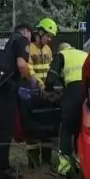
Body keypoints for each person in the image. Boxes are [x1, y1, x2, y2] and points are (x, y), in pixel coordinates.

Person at [0, 23, 34, 179]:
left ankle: (1, 163)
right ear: (26, 32)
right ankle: (3, 168)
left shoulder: (0, 40)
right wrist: (28, 80)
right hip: (5, 84)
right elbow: (21, 65)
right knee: (6, 125)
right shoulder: (22, 40)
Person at [45, 42, 88, 179]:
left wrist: (48, 92)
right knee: (82, 130)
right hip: (89, 94)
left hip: (74, 94)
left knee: (66, 129)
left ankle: (64, 169)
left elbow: (51, 79)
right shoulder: (84, 54)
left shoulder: (61, 55)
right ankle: (82, 165)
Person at [26, 18, 58, 168]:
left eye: (51, 36)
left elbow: (50, 69)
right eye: (48, 35)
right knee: (32, 128)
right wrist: (40, 84)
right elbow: (29, 70)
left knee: (48, 127)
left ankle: (46, 160)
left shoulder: (48, 50)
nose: (49, 39)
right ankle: (33, 162)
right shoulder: (29, 48)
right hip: (34, 93)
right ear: (40, 33)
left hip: (46, 93)